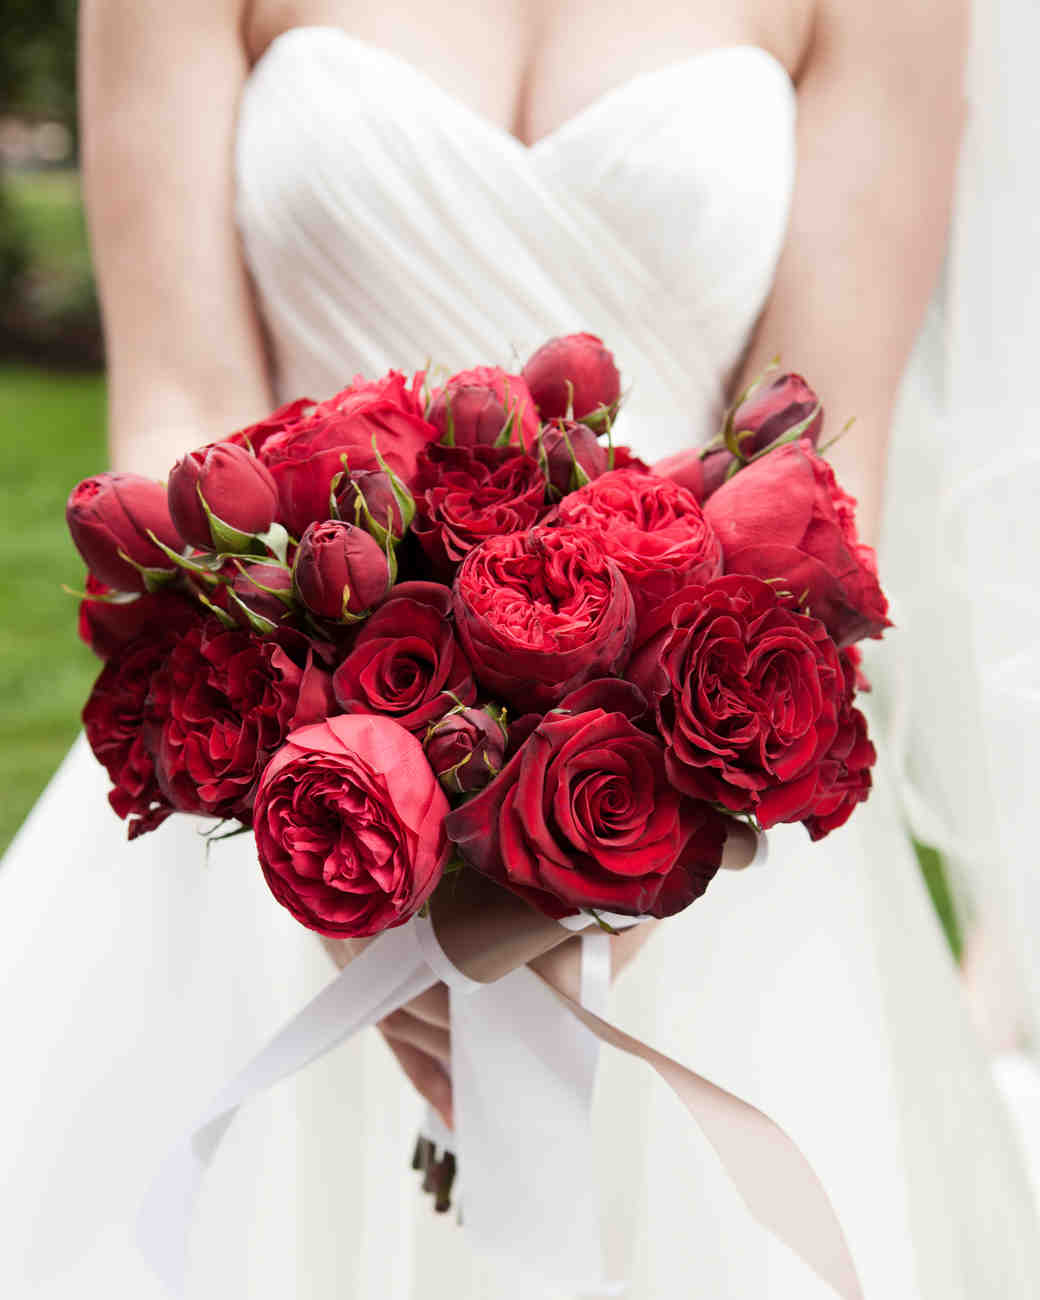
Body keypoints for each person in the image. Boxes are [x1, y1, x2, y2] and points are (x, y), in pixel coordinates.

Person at [1, 1, 1037, 1296]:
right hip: (288, 773)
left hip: (695, 821)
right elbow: (182, 399)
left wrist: (630, 852)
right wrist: (338, 834)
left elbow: (830, 466)